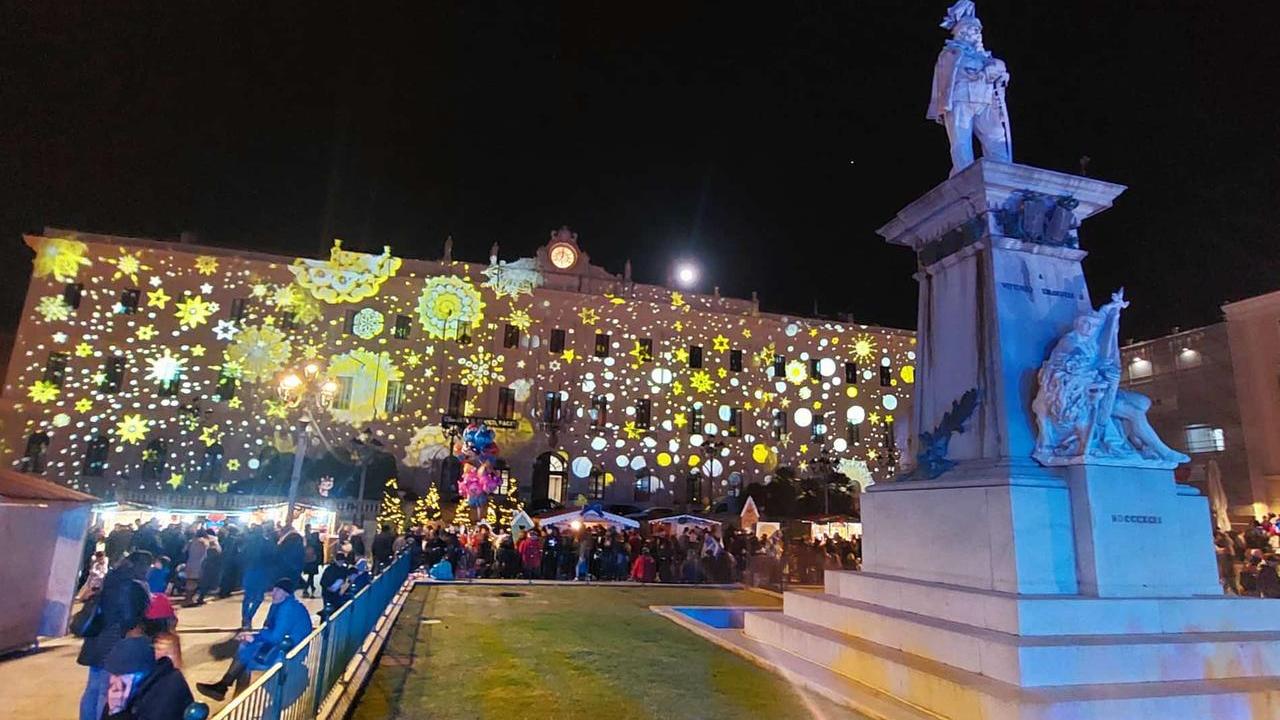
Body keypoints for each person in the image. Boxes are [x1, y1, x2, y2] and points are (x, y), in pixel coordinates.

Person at [196, 578, 313, 701]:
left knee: (245, 653)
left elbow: (275, 637)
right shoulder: (279, 605)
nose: (273, 593)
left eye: (278, 590)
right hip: (284, 645)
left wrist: (254, 638)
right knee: (245, 650)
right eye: (273, 589)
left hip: (292, 650)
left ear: (287, 593)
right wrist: (253, 637)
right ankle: (232, 694)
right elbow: (269, 630)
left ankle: (227, 689)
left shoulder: (288, 608)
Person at [78, 551, 152, 720]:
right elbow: (129, 618)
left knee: (93, 688)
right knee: (106, 693)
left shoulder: (111, 577)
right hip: (114, 643)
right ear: (142, 565)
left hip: (96, 639)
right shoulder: (132, 585)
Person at [101, 634, 194, 720]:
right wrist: (114, 710)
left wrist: (117, 712)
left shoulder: (168, 687)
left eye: (120, 675)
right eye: (113, 675)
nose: (115, 684)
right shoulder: (131, 689)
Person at [182, 530, 209, 606]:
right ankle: (189, 601)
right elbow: (206, 554)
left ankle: (188, 599)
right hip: (199, 564)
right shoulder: (204, 542)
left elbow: (184, 551)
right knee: (194, 583)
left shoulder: (190, 541)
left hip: (190, 563)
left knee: (189, 582)